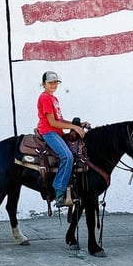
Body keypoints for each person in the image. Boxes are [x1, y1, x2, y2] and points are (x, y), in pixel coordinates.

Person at [36, 71, 86, 207]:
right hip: (48, 131)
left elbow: (61, 120)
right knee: (67, 156)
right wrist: (74, 128)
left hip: (56, 131)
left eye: (55, 83)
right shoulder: (45, 98)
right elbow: (52, 122)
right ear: (44, 84)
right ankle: (59, 193)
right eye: (50, 83)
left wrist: (77, 125)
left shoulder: (54, 99)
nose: (53, 85)